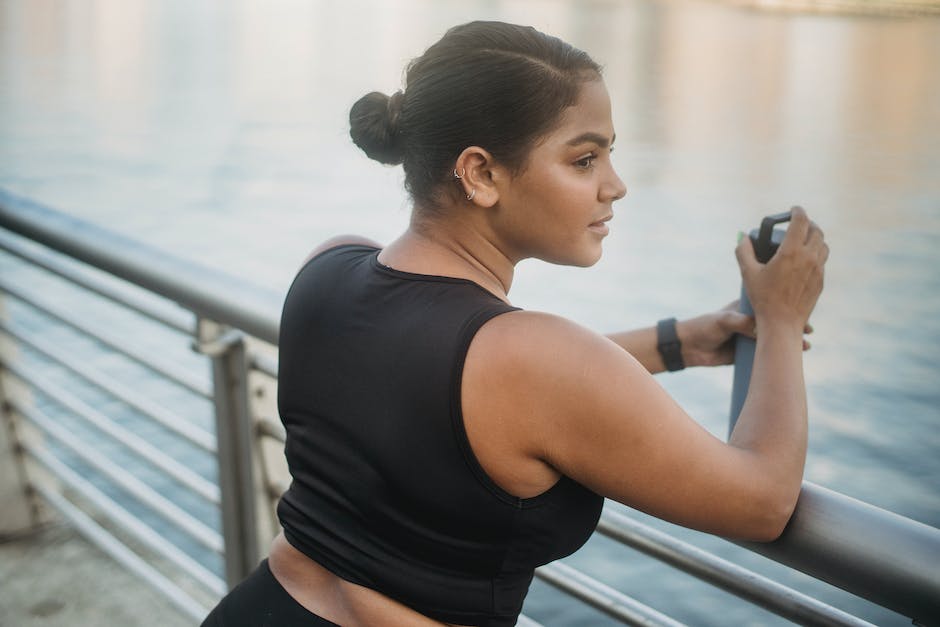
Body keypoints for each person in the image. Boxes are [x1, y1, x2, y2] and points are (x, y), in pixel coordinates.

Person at [201, 20, 828, 627]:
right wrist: (777, 321)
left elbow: (453, 386)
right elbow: (764, 501)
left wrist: (679, 343)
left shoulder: (326, 269)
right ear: (481, 174)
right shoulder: (532, 358)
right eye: (585, 160)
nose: (616, 186)